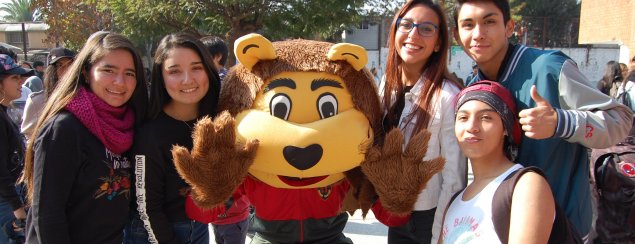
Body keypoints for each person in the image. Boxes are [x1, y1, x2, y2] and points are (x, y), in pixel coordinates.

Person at [453, 0, 633, 237]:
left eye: (489, 22)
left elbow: (619, 119)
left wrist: (561, 122)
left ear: (509, 27)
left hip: (560, 229)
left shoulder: (550, 69)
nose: (478, 33)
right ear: (457, 35)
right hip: (501, 226)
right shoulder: (474, 84)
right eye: (468, 25)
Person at [22, 31, 148, 243]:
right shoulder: (64, 128)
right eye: (108, 70)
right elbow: (47, 215)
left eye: (130, 73)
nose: (120, 82)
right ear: (86, 73)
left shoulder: (129, 125)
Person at [126, 33, 247, 244]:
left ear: (209, 70)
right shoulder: (151, 133)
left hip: (198, 226)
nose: (187, 79)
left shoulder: (217, 121)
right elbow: (146, 208)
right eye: (174, 71)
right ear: (160, 76)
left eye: (196, 68)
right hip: (155, 232)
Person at [378, 0, 466, 243]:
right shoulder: (387, 85)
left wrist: (440, 232)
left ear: (438, 43)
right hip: (396, 211)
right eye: (406, 24)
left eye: (426, 28)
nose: (414, 34)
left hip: (427, 218)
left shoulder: (447, 96)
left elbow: (454, 176)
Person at [441, 80, 556, 243]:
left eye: (486, 117)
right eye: (463, 118)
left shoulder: (526, 185)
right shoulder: (454, 202)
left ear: (505, 128)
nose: (472, 127)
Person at [0, 54, 32, 243]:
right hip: (6, 202)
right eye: (14, 78)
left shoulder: (4, 113)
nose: (21, 82)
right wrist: (17, 208)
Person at [20, 47, 76, 139]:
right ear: (51, 70)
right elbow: (29, 138)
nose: (67, 70)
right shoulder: (37, 101)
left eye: (70, 65)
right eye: (60, 65)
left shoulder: (87, 98)